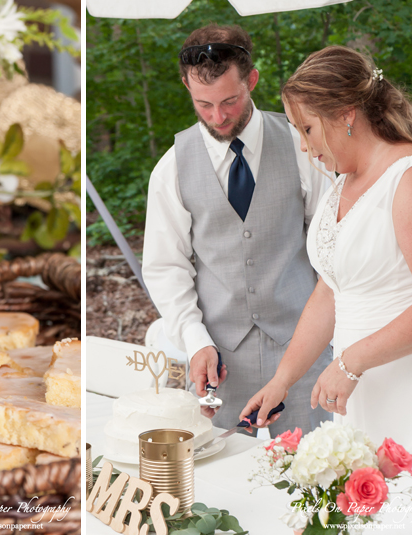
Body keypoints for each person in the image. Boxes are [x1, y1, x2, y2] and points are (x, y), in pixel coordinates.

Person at [240, 45, 412, 475]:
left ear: (346, 114)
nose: (304, 146)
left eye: (308, 129)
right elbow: (331, 289)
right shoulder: (342, 181)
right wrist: (283, 380)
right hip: (362, 390)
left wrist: (351, 362)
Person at [141, 24, 331, 436]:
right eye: (203, 104)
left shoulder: (304, 147)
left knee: (313, 482)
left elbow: (331, 251)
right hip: (219, 361)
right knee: (224, 488)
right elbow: (165, 266)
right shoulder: (171, 167)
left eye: (229, 100)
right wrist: (195, 341)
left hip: (303, 352)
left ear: (252, 80)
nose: (218, 116)